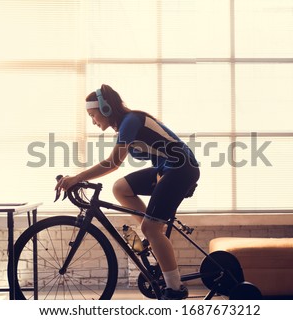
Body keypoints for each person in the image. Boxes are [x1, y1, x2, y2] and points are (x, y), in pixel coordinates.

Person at [55, 84, 200, 300]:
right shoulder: (125, 126)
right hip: (167, 168)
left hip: (182, 169)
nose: (93, 121)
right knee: (120, 188)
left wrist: (77, 178)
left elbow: (112, 163)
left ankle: (175, 288)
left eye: (92, 115)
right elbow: (159, 152)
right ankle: (150, 233)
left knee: (152, 228)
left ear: (105, 109)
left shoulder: (130, 121)